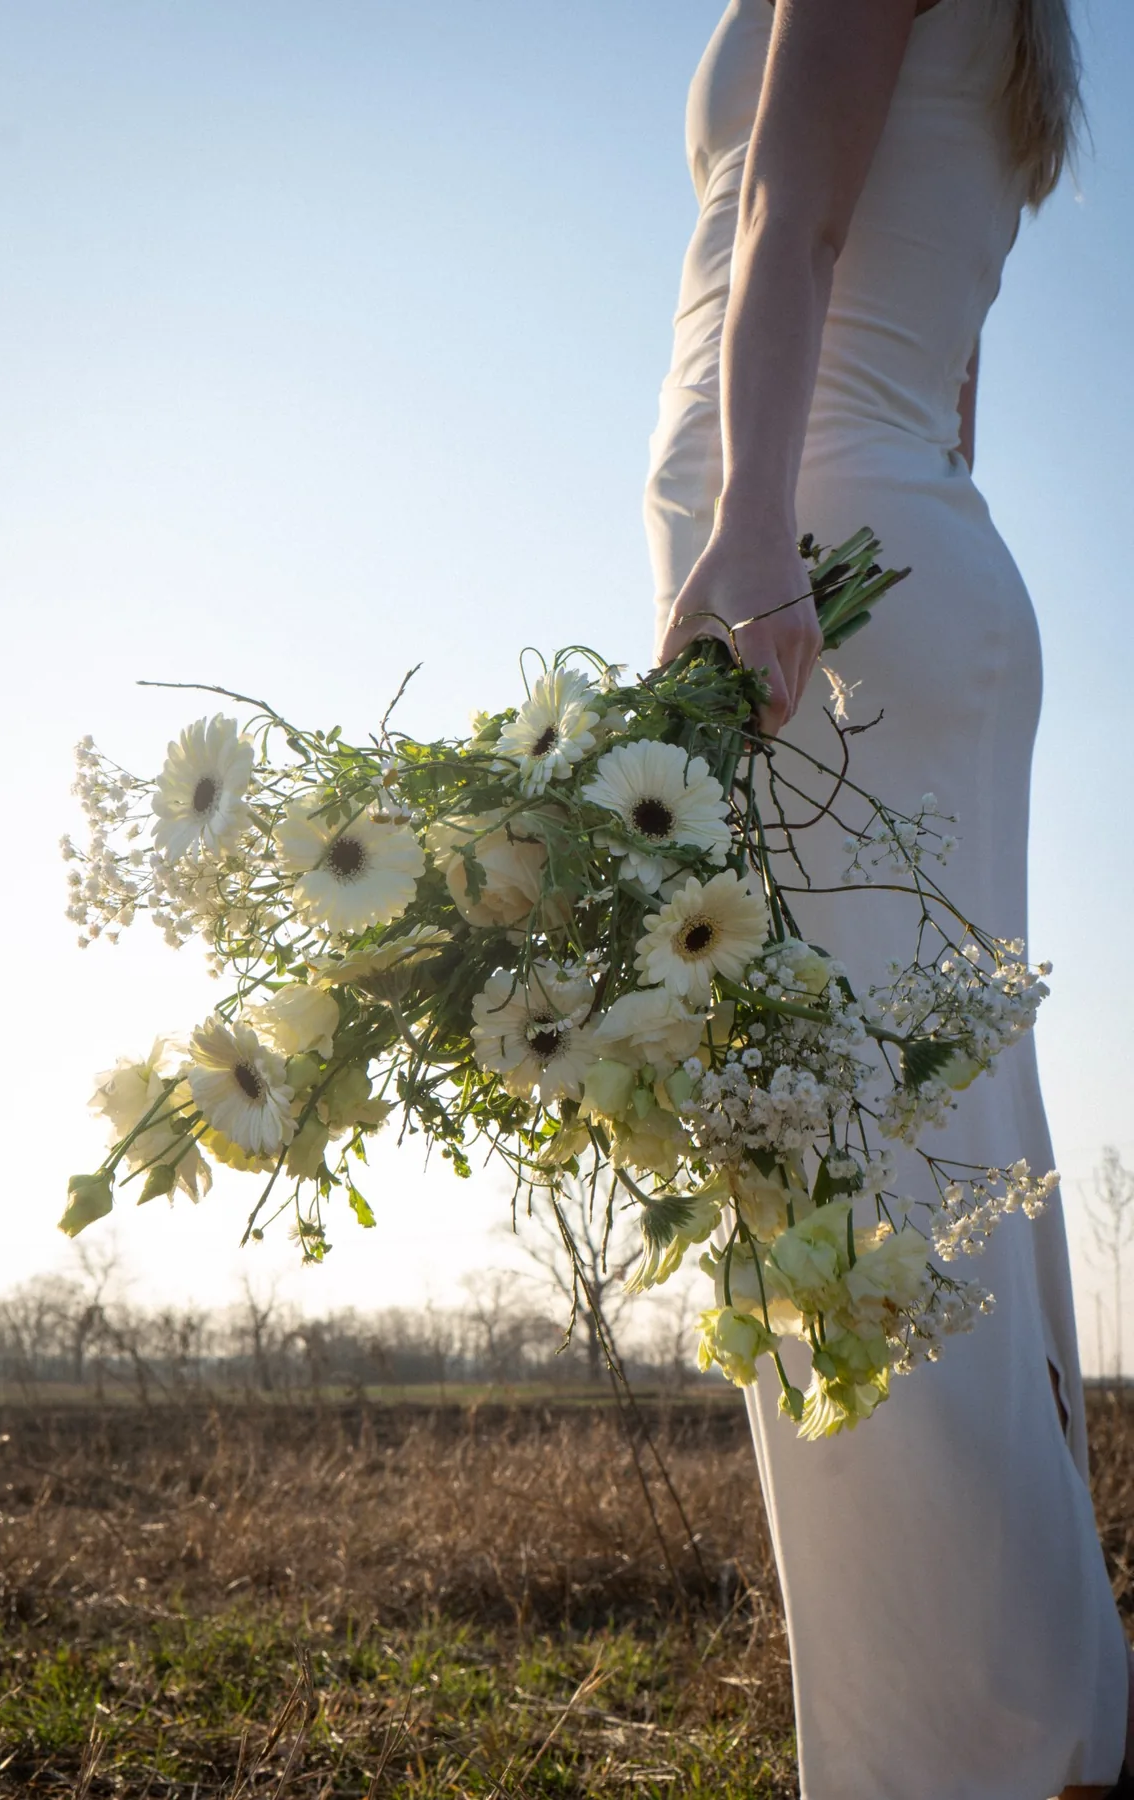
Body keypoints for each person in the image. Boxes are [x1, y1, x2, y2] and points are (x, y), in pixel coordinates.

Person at [644, 3, 1131, 1796]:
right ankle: (1046, 1726)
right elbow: (957, 368)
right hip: (912, 557)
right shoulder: (1031, 31)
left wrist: (754, 529)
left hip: (822, 588)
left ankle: (953, 1761)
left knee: (837, 1200)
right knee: (935, 1177)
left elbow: (792, 206)